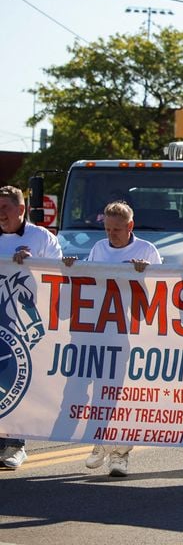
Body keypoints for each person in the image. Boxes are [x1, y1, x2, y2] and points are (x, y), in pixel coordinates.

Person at [63, 201, 161, 476]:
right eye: (107, 229)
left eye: (116, 229)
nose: (111, 234)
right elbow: (90, 284)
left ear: (130, 226)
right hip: (99, 332)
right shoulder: (99, 248)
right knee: (98, 392)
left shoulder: (146, 250)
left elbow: (161, 294)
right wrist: (73, 267)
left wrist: (145, 274)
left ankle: (120, 453)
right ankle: (99, 442)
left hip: (130, 335)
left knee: (120, 394)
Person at [0, 185, 62, 469]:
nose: (0, 214)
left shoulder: (41, 238)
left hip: (21, 325)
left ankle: (15, 445)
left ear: (21, 209)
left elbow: (62, 274)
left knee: (15, 381)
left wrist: (35, 263)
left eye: (5, 208)